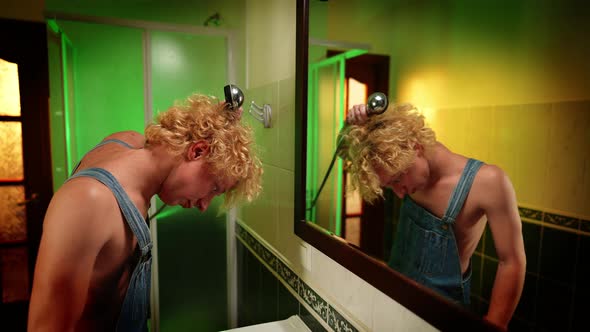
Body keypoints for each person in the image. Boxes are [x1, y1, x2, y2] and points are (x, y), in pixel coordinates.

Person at [28, 93, 263, 332]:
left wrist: (220, 125)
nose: (204, 205)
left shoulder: (126, 141)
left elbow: (177, 144)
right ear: (198, 151)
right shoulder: (91, 201)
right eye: (214, 188)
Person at [342, 103, 525, 330]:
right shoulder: (401, 161)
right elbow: (344, 153)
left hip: (442, 315)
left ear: (416, 147)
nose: (400, 194)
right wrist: (352, 125)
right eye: (391, 187)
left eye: (398, 179)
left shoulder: (488, 182)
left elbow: (512, 261)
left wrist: (495, 324)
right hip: (394, 301)